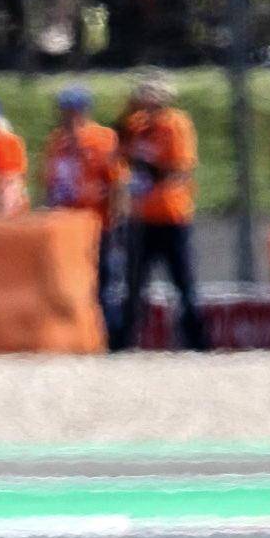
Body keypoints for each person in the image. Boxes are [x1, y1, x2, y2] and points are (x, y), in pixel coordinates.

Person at [116, 76, 206, 351]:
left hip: (171, 215)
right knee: (134, 283)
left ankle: (196, 341)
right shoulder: (136, 126)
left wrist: (148, 170)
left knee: (183, 281)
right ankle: (125, 341)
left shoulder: (175, 124)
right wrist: (128, 111)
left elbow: (179, 168)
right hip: (142, 216)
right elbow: (118, 144)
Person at [41, 83, 124, 333]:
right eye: (64, 110)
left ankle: (109, 335)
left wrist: (117, 219)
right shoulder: (57, 142)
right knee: (68, 281)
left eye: (73, 110)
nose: (67, 116)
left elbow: (117, 182)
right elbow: (50, 184)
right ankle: (76, 333)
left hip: (97, 222)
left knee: (103, 281)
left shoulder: (103, 139)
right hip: (66, 225)